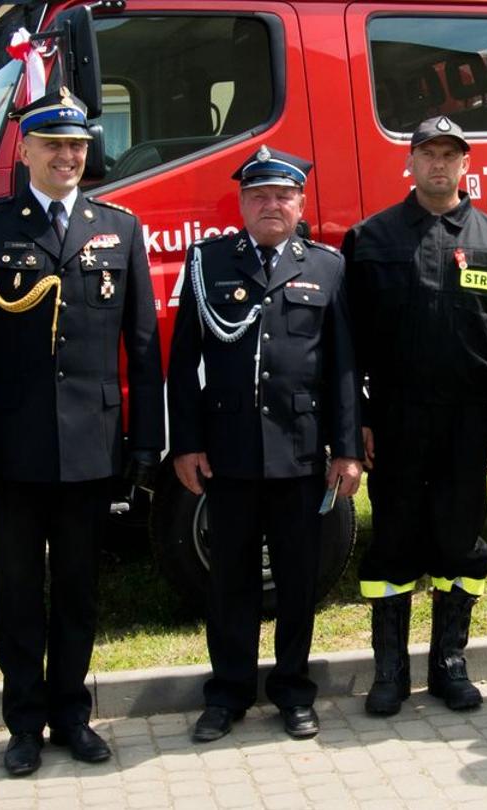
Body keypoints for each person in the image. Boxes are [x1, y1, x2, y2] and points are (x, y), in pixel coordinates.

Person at [0, 88, 165, 777]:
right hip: (13, 451)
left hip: (92, 449)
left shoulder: (119, 227)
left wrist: (144, 441)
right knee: (16, 593)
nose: (67, 156)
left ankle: (72, 714)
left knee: (78, 590)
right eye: (53, 145)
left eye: (76, 145)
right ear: (26, 151)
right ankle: (23, 725)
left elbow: (143, 346)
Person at [343, 115, 487, 716]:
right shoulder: (369, 239)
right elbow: (347, 344)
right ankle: (390, 670)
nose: (438, 163)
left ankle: (450, 663)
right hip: (395, 418)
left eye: (450, 154)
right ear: (410, 161)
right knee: (393, 541)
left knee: (460, 541)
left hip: (467, 421)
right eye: (428, 153)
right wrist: (358, 419)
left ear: (465, 164)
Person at [169, 146, 363, 743]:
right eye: (259, 196)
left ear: (300, 204)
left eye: (283, 196)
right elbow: (183, 363)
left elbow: (343, 369)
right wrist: (186, 443)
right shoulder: (208, 262)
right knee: (230, 581)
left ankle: (293, 691)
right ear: (242, 203)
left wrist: (347, 450)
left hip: (300, 454)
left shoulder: (327, 267)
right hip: (227, 453)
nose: (271, 205)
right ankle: (227, 694)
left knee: (298, 581)